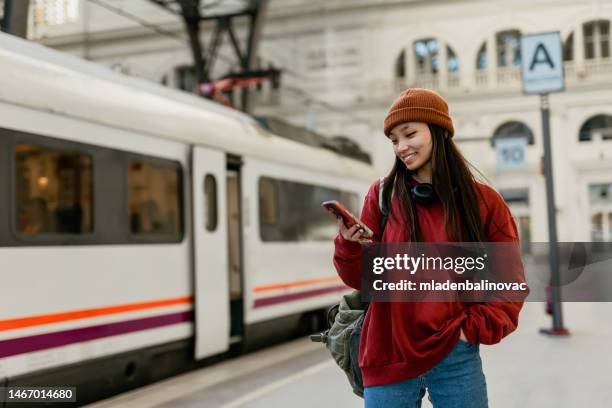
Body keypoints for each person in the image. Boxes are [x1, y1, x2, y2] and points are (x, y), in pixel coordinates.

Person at [333, 88, 527, 407]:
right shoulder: (381, 197)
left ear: (438, 131)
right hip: (387, 355)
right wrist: (349, 245)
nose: (401, 146)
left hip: (456, 358)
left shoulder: (484, 203)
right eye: (394, 140)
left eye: (409, 133)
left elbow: (509, 283)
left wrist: (470, 330)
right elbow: (362, 280)